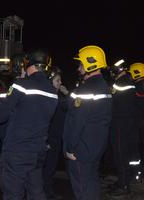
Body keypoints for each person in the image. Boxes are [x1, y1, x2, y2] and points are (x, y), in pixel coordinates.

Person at [0, 48, 58, 200]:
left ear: (28, 64)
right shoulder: (52, 91)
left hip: (17, 153)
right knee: (36, 192)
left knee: (13, 194)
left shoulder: (20, 85)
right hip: (38, 152)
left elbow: (0, 116)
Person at [63, 45, 112, 200]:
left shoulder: (86, 89)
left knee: (82, 187)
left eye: (81, 64)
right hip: (97, 145)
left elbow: (77, 122)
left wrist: (70, 148)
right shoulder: (103, 86)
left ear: (90, 64)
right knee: (91, 182)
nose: (79, 68)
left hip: (82, 148)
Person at [106, 62, 141, 197]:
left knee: (120, 154)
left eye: (112, 71)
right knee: (124, 153)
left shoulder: (121, 83)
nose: (111, 73)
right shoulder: (126, 81)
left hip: (120, 124)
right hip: (126, 122)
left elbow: (113, 101)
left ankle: (123, 185)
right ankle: (124, 180)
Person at [43, 67, 69, 200]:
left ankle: (47, 191)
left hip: (56, 139)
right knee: (47, 168)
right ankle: (46, 193)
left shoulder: (57, 96)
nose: (60, 82)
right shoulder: (51, 98)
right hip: (50, 140)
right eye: (57, 80)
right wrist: (46, 141)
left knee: (50, 168)